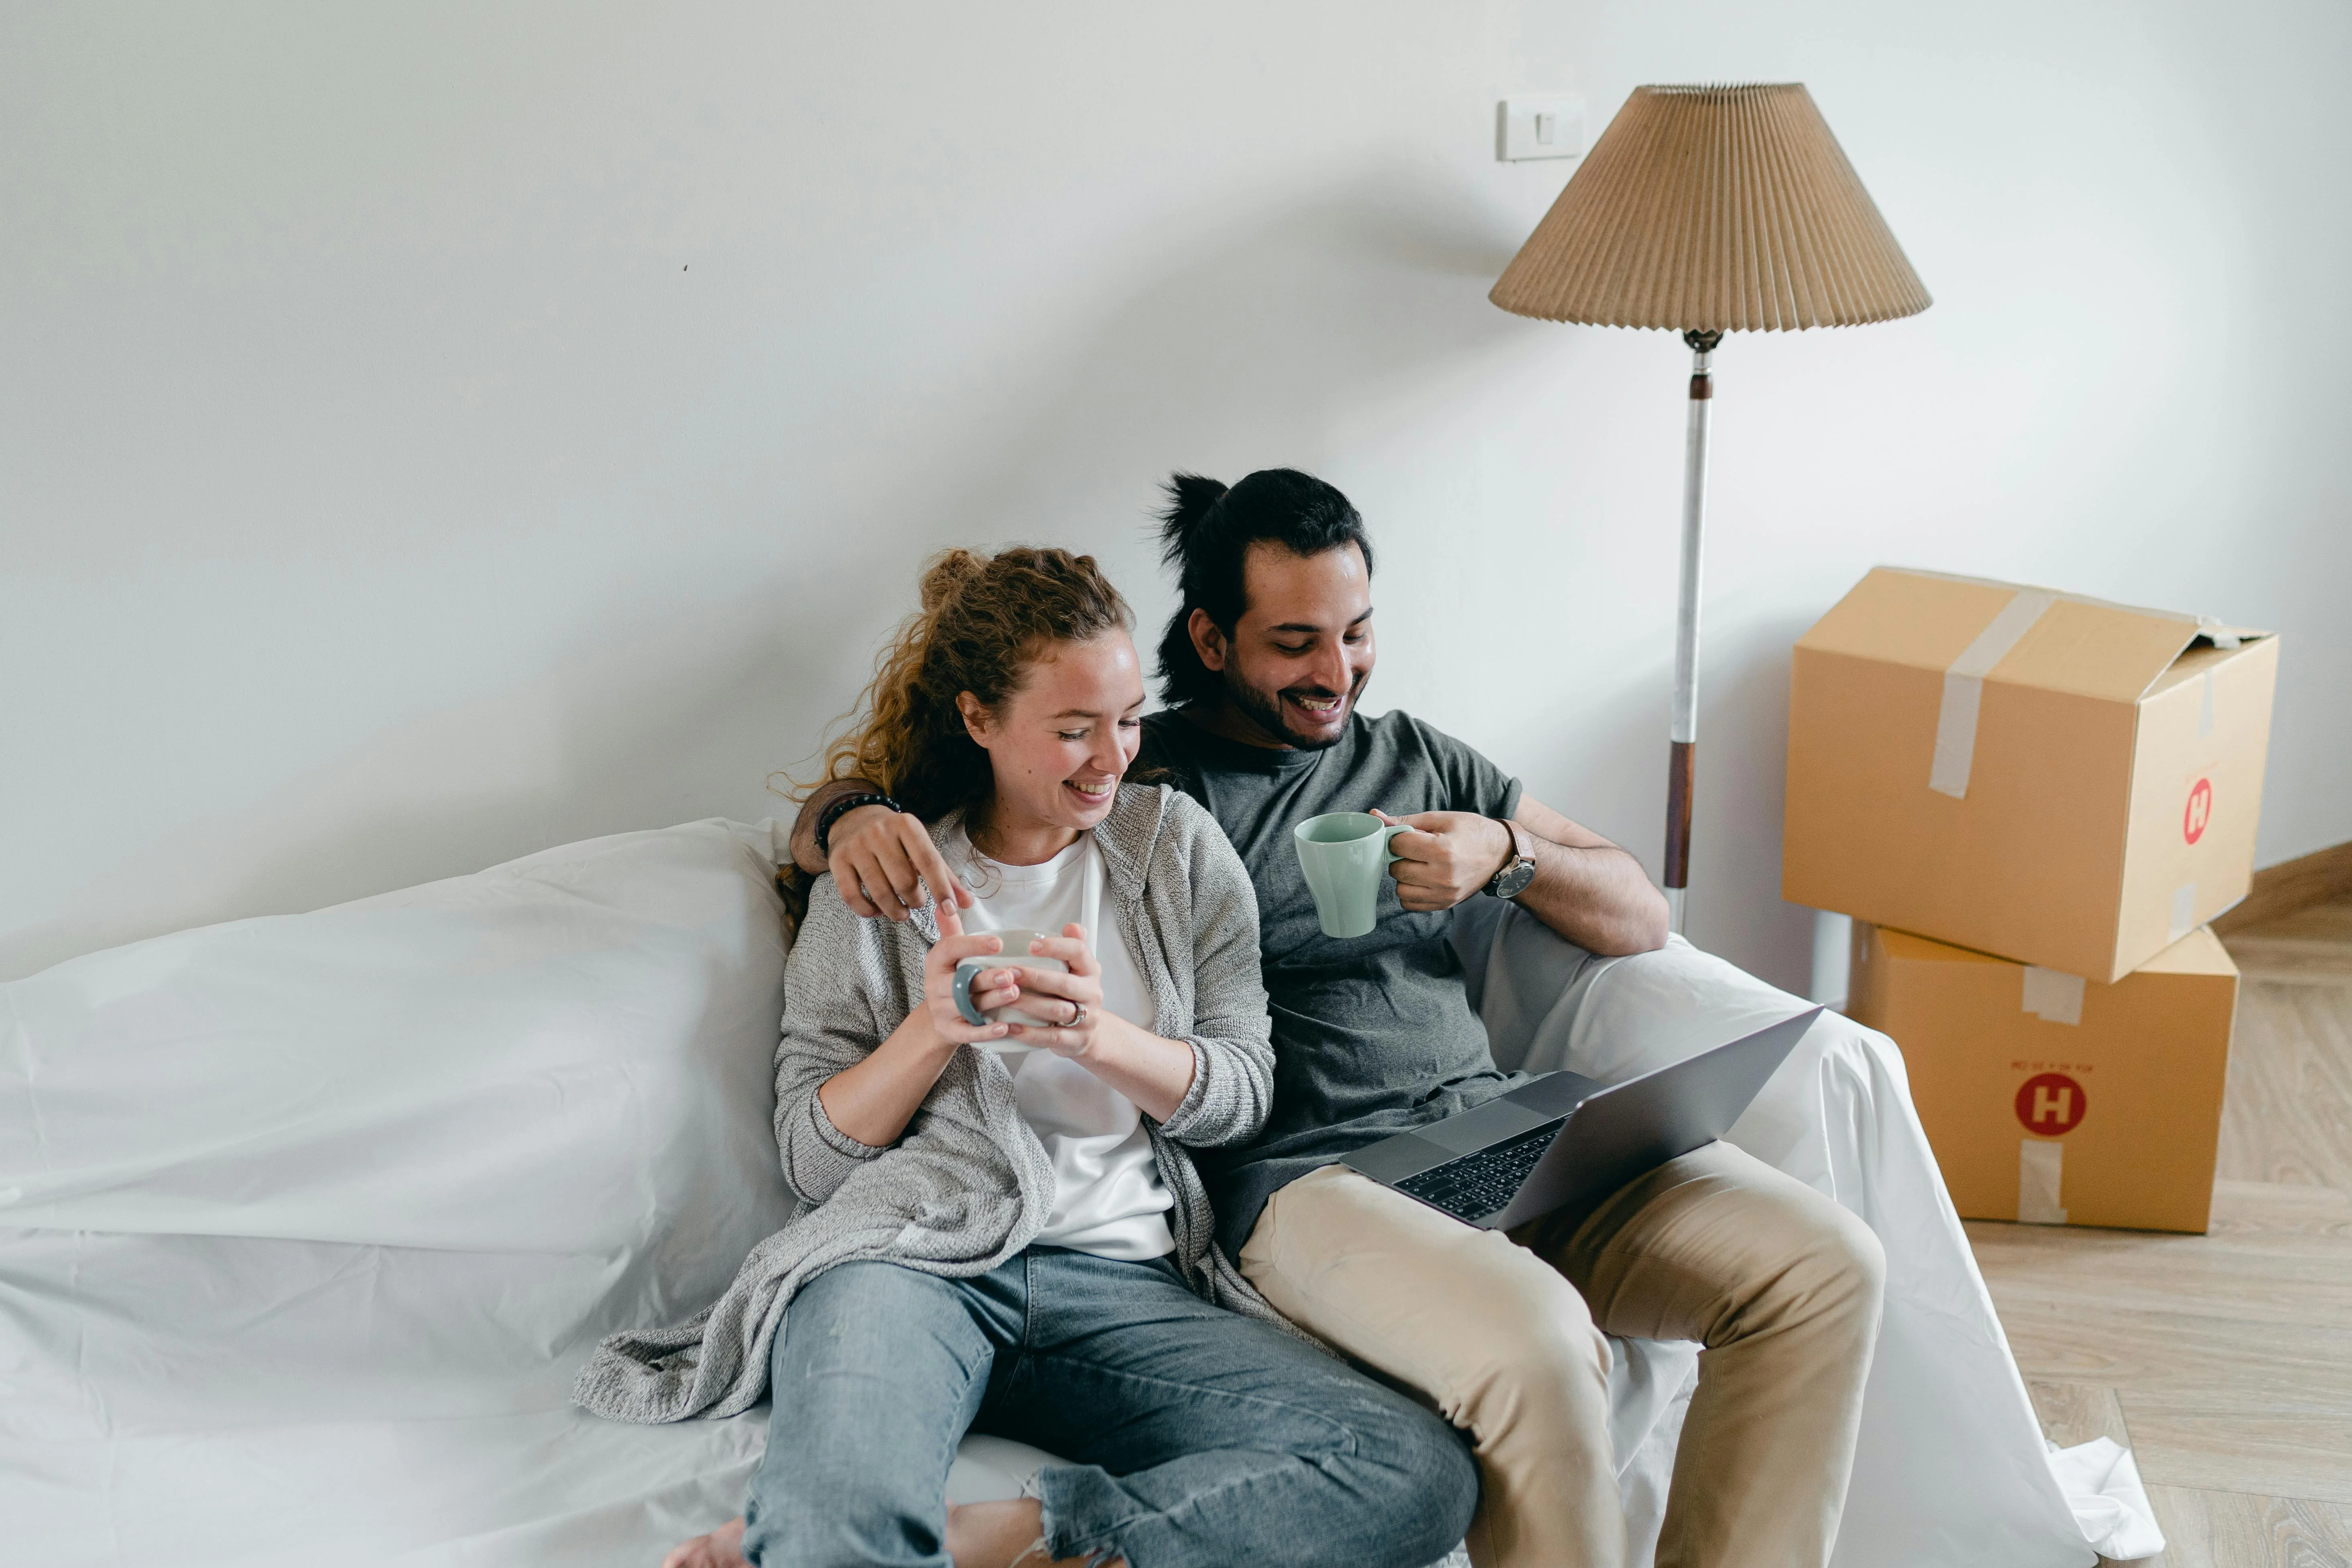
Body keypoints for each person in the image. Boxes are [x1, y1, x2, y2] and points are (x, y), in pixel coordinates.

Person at [793, 474, 1889, 1568]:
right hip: (1315, 1183)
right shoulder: (1149, 784)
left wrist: (1508, 858)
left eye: (1356, 633)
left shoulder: (1418, 756)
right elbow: (916, 798)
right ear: (1214, 641)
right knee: (1538, 1342)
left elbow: (1638, 911)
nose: (1334, 672)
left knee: (1825, 1263)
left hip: (1499, 1133)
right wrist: (849, 816)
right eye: (1294, 642)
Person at [581, 545, 1478, 1568]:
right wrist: (931, 1033)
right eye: (1071, 730)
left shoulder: (1175, 849)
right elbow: (812, 1160)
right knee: (835, 1529)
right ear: (979, 722)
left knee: (1409, 1468)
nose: (1112, 757)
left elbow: (1240, 1096)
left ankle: (1001, 1542)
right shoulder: (879, 878)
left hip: (1125, 1284)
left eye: (1128, 720)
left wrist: (1098, 1038)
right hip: (907, 1266)